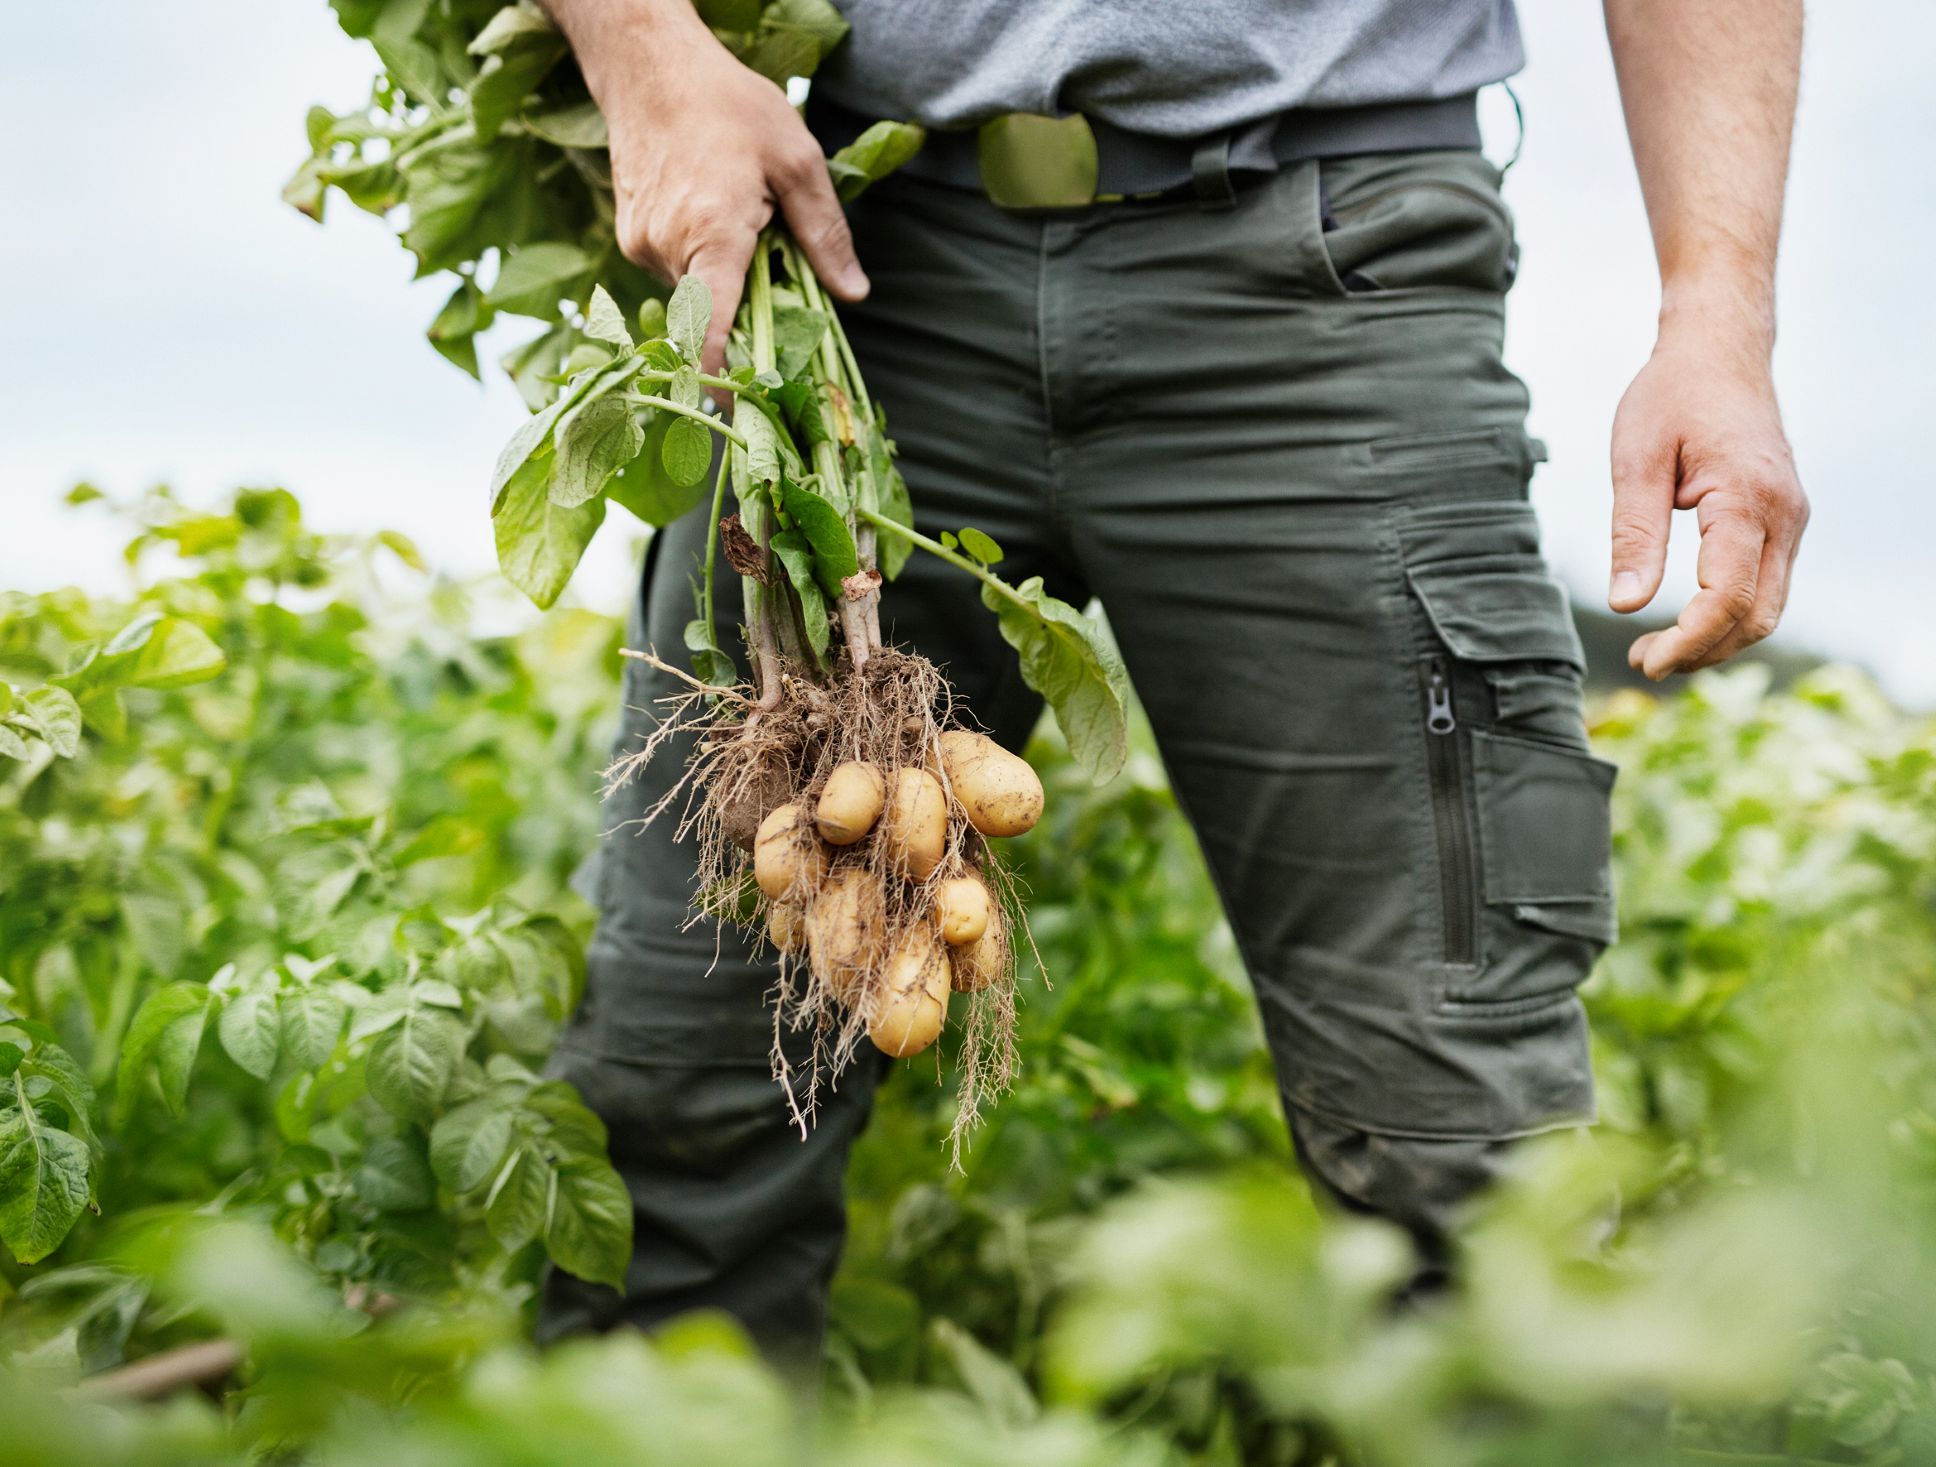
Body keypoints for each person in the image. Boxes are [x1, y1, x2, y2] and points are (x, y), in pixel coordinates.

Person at [532, 0, 1810, 1362]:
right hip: (843, 248)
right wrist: (643, 49)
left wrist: (1717, 314)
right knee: (685, 1105)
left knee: (1467, 1152)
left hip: (1333, 270)